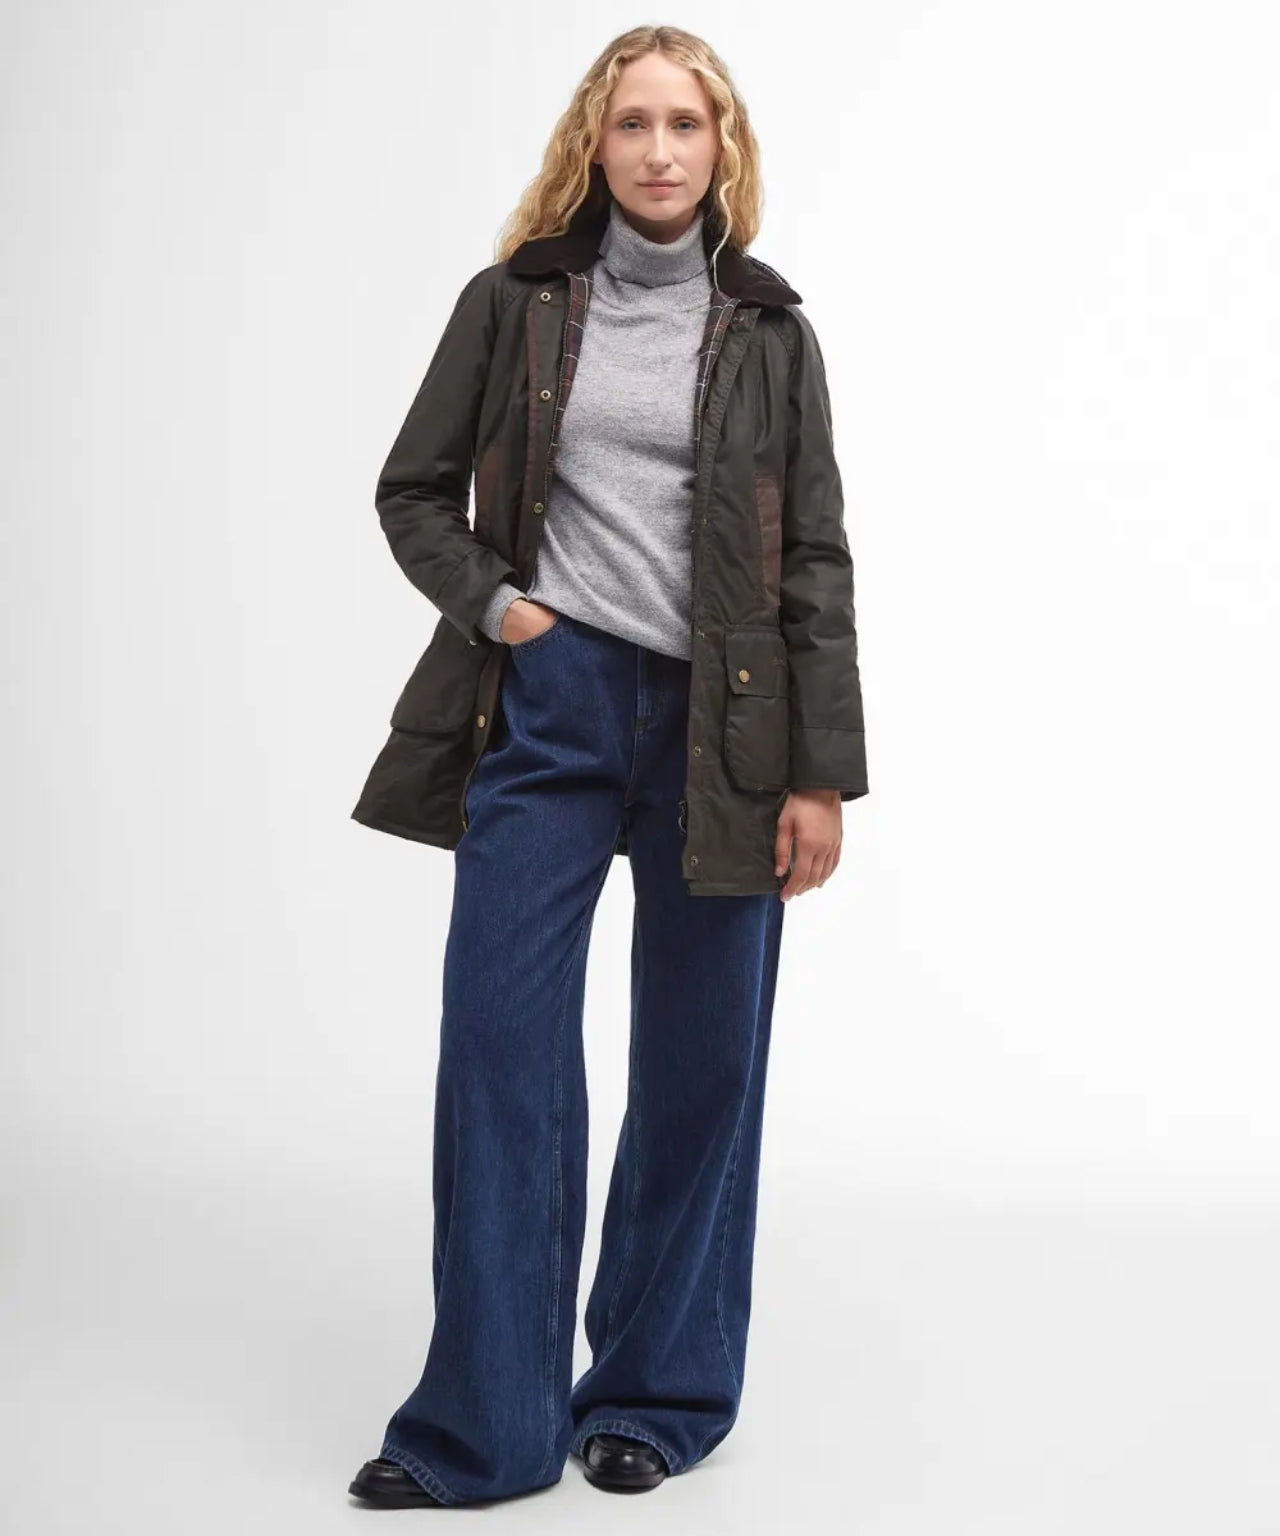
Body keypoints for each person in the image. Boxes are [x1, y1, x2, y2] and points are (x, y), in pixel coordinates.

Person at [348, 23, 868, 1509]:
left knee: (703, 1067)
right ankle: (484, 1428)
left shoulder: (771, 331)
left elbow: (814, 559)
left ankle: (655, 1396)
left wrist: (820, 776)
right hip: (554, 711)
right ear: (596, 140)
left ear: (722, 146)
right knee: (500, 1051)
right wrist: (506, 610)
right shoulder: (513, 303)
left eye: (684, 124)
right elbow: (412, 491)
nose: (658, 150)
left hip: (729, 731)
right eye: (633, 122)